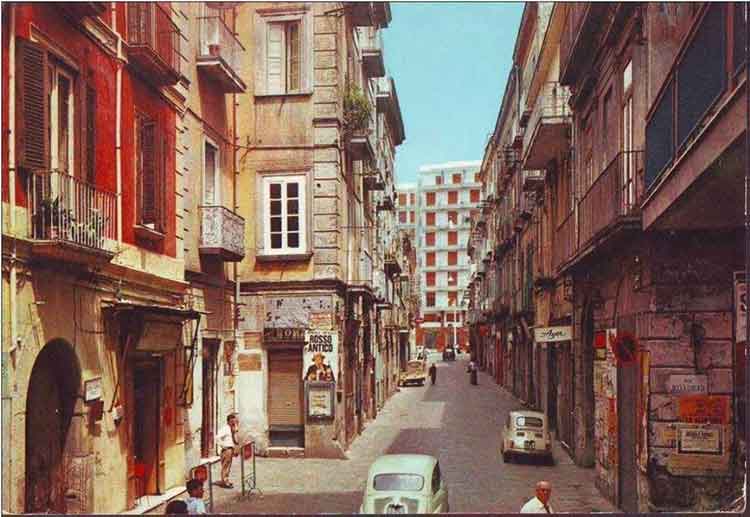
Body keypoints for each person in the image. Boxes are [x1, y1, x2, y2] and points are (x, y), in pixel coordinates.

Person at [216, 413, 239, 488]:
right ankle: (224, 482)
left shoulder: (231, 429)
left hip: (230, 449)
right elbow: (217, 437)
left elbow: (235, 440)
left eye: (235, 421)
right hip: (226, 449)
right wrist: (223, 446)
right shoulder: (225, 429)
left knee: (228, 466)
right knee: (225, 466)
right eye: (232, 421)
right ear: (228, 421)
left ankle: (226, 480)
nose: (234, 423)